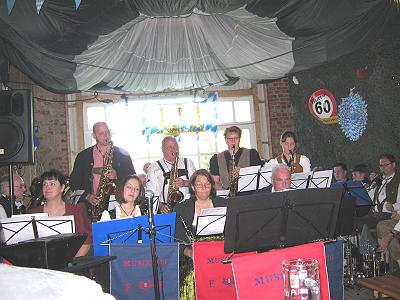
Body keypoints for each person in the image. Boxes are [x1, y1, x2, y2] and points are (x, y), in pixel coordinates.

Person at [173, 169, 227, 298]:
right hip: (193, 255)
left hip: (220, 253)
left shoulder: (223, 203)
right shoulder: (181, 208)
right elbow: (176, 240)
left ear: (212, 186)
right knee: (191, 274)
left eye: (207, 184)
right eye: (199, 184)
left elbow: (232, 231)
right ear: (192, 187)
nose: (204, 187)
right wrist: (189, 253)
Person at [69, 122, 135, 218]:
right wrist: (88, 196)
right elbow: (74, 183)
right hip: (91, 208)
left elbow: (133, 178)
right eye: (101, 133)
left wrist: (117, 175)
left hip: (118, 207)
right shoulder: (83, 156)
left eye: (107, 132)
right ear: (94, 136)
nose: (106, 136)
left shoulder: (123, 154)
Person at [28, 169, 92, 257]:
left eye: (52, 184)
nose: (47, 187)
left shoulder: (76, 211)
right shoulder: (33, 213)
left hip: (72, 265)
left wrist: (72, 265)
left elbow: (86, 243)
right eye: (44, 184)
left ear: (62, 188)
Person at [146, 136, 196, 214]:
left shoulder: (188, 162)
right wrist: (160, 206)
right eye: (169, 147)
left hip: (188, 207)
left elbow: (197, 184)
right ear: (162, 149)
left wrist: (185, 183)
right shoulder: (153, 167)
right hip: (166, 208)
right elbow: (150, 193)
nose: (173, 149)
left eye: (175, 146)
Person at [209, 126, 262, 190]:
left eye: (236, 138)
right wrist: (224, 193)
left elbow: (259, 173)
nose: (233, 141)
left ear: (239, 139)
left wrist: (243, 171)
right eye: (230, 138)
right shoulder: (216, 159)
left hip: (249, 193)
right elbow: (215, 182)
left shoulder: (252, 154)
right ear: (226, 140)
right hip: (227, 195)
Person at [355, 154, 400, 230]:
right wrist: (368, 186)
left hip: (388, 215)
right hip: (374, 215)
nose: (383, 168)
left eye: (386, 165)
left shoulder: (398, 181)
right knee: (352, 220)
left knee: (359, 224)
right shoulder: (378, 180)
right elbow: (368, 198)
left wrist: (393, 206)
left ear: (393, 164)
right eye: (381, 166)